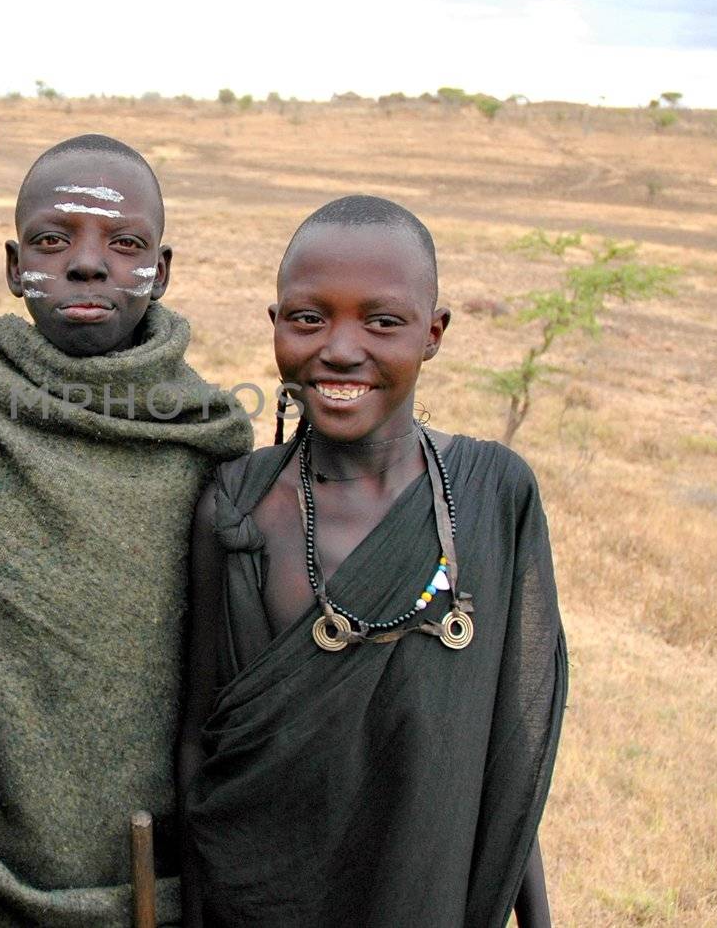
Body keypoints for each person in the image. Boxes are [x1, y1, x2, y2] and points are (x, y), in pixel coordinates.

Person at [178, 195, 567, 927]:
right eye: (309, 318)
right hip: (258, 901)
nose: (341, 348)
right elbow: (200, 738)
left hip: (420, 896)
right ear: (275, 325)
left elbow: (507, 750)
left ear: (434, 332)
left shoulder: (493, 496)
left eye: (382, 321)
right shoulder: (235, 508)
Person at [0, 135, 255, 926]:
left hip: (145, 875)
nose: (87, 264)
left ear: (162, 269)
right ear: (10, 263)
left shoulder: (206, 436)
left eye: (123, 243)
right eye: (52, 241)